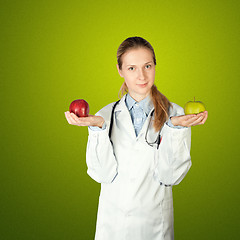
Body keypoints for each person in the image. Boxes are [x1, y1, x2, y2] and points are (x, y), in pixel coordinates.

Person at [64, 36, 208, 240]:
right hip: (112, 227)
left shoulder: (175, 114)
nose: (141, 75)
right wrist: (97, 129)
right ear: (120, 70)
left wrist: (174, 129)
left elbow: (171, 177)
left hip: (155, 228)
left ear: (155, 66)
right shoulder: (104, 115)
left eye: (147, 66)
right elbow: (101, 175)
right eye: (132, 68)